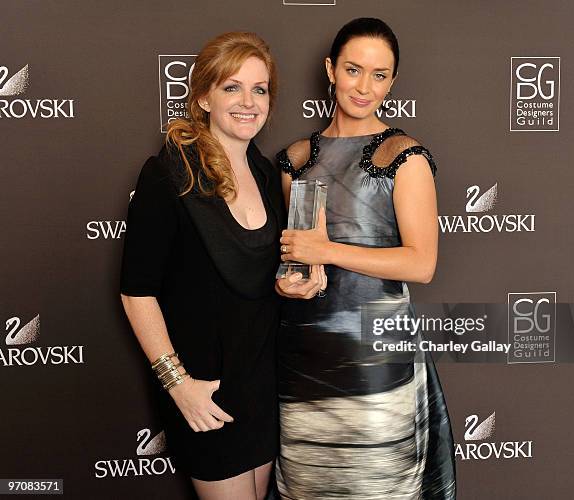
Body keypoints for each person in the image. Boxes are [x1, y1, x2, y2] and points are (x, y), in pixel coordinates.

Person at [120, 32, 320, 500]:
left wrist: (300, 283)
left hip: (260, 383)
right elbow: (137, 292)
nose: (248, 101)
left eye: (260, 88)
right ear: (203, 97)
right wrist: (179, 385)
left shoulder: (268, 173)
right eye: (232, 87)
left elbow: (259, 276)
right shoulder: (170, 173)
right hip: (203, 388)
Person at [274, 18, 456, 499]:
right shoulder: (295, 159)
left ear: (392, 81)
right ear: (330, 69)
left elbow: (422, 264)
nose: (365, 86)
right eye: (354, 70)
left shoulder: (404, 155)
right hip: (303, 357)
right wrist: (287, 279)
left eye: (380, 75)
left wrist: (327, 251)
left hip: (376, 361)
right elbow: (295, 258)